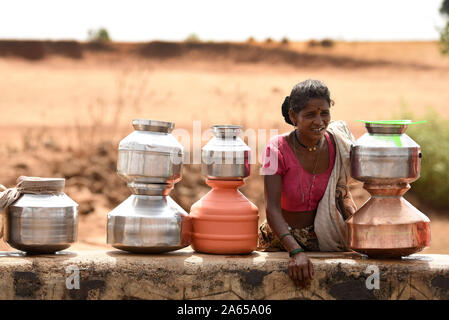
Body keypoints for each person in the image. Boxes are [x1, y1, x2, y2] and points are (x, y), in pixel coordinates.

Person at [258, 79, 357, 288]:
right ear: (293, 116)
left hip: (324, 237)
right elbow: (272, 209)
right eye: (310, 115)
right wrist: (295, 251)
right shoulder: (277, 149)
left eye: (324, 113)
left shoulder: (336, 144)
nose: (319, 121)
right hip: (282, 240)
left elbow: (347, 189)